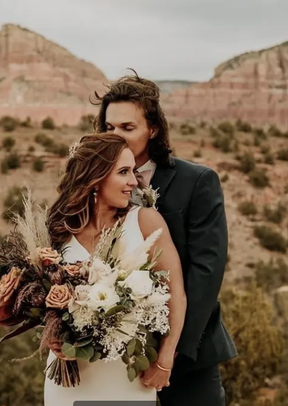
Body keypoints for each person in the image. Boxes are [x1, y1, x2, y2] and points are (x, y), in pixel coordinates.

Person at [90, 71, 238, 406]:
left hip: (188, 353)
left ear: (153, 129)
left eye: (127, 127)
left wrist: (170, 351)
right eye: (109, 127)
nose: (116, 136)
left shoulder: (197, 181)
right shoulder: (91, 187)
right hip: (110, 356)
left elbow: (206, 272)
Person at [44, 133, 187, 406]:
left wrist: (165, 358)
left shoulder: (145, 221)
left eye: (133, 171)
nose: (134, 181)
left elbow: (176, 294)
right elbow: (44, 299)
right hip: (70, 376)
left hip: (126, 375)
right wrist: (52, 334)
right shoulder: (59, 231)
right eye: (123, 172)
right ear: (95, 178)